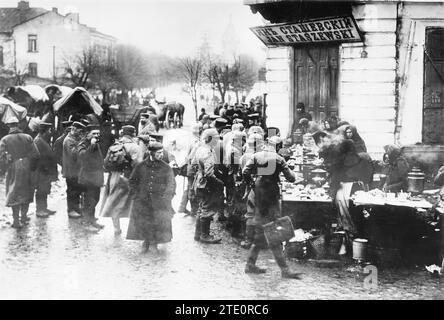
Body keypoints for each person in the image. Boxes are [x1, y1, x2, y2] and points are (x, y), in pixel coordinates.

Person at [242, 139, 301, 279]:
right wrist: (292, 173)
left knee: (260, 232)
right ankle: (285, 270)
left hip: (259, 190)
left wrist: (252, 183)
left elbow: (245, 171)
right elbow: (291, 178)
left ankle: (250, 265)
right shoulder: (279, 158)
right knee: (273, 230)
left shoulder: (256, 156)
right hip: (271, 193)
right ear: (278, 146)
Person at [126, 142, 176, 252]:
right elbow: (132, 181)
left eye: (162, 152)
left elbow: (171, 184)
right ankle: (146, 241)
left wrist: (166, 197)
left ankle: (154, 243)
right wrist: (136, 195)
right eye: (158, 153)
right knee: (144, 221)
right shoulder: (141, 166)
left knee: (157, 221)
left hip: (160, 201)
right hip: (143, 201)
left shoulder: (166, 168)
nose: (161, 155)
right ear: (151, 153)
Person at [100, 125, 143, 235]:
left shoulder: (114, 145)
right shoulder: (135, 147)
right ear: (133, 134)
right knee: (135, 202)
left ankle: (116, 229)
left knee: (114, 201)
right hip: (129, 177)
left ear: (122, 134)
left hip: (114, 177)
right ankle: (136, 229)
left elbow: (105, 163)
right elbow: (138, 165)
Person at [0, 120, 40, 228]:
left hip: (13, 167)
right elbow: (36, 154)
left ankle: (16, 221)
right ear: (18, 125)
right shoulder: (27, 137)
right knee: (26, 191)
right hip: (27, 166)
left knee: (14, 192)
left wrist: (5, 167)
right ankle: (24, 217)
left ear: (8, 126)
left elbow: (1, 157)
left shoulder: (4, 139)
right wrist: (32, 167)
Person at [192, 128, 224, 244]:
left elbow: (193, 164)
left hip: (199, 181)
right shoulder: (208, 152)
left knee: (201, 207)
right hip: (207, 184)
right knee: (207, 208)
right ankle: (204, 235)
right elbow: (209, 173)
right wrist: (219, 182)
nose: (217, 141)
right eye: (215, 139)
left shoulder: (200, 149)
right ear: (209, 139)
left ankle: (198, 234)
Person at [78, 124, 105, 230]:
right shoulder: (83, 143)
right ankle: (87, 223)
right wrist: (91, 146)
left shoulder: (96, 143)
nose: (97, 135)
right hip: (88, 177)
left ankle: (92, 220)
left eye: (98, 133)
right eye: (94, 133)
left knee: (95, 198)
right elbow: (82, 156)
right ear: (87, 134)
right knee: (89, 200)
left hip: (96, 177)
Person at [33, 122, 58, 218]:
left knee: (45, 189)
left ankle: (44, 208)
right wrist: (46, 168)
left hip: (45, 171)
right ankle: (39, 209)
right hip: (42, 171)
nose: (50, 132)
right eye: (49, 130)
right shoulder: (38, 141)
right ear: (45, 131)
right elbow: (38, 157)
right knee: (41, 190)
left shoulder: (43, 140)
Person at [62, 121, 86, 219]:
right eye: (79, 131)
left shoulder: (73, 139)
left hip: (75, 170)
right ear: (74, 129)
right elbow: (74, 154)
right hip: (71, 170)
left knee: (76, 190)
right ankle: (71, 210)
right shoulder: (69, 140)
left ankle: (76, 208)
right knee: (72, 190)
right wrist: (81, 143)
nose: (80, 134)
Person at [178, 123, 201, 216]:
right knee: (192, 188)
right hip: (193, 167)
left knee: (189, 187)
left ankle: (182, 207)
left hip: (189, 166)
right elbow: (192, 156)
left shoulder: (191, 139)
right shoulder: (197, 142)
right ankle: (193, 210)